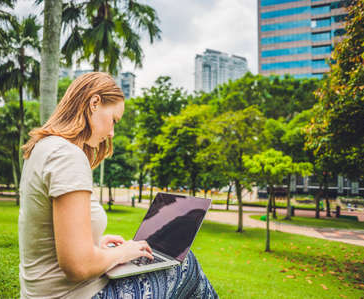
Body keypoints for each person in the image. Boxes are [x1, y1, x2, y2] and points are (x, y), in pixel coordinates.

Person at [19, 72, 218, 298]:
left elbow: (50, 236)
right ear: (94, 102)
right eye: (114, 120)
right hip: (76, 295)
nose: (112, 132)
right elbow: (78, 266)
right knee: (184, 264)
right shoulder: (68, 156)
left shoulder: (44, 147)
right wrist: (123, 252)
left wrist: (95, 244)